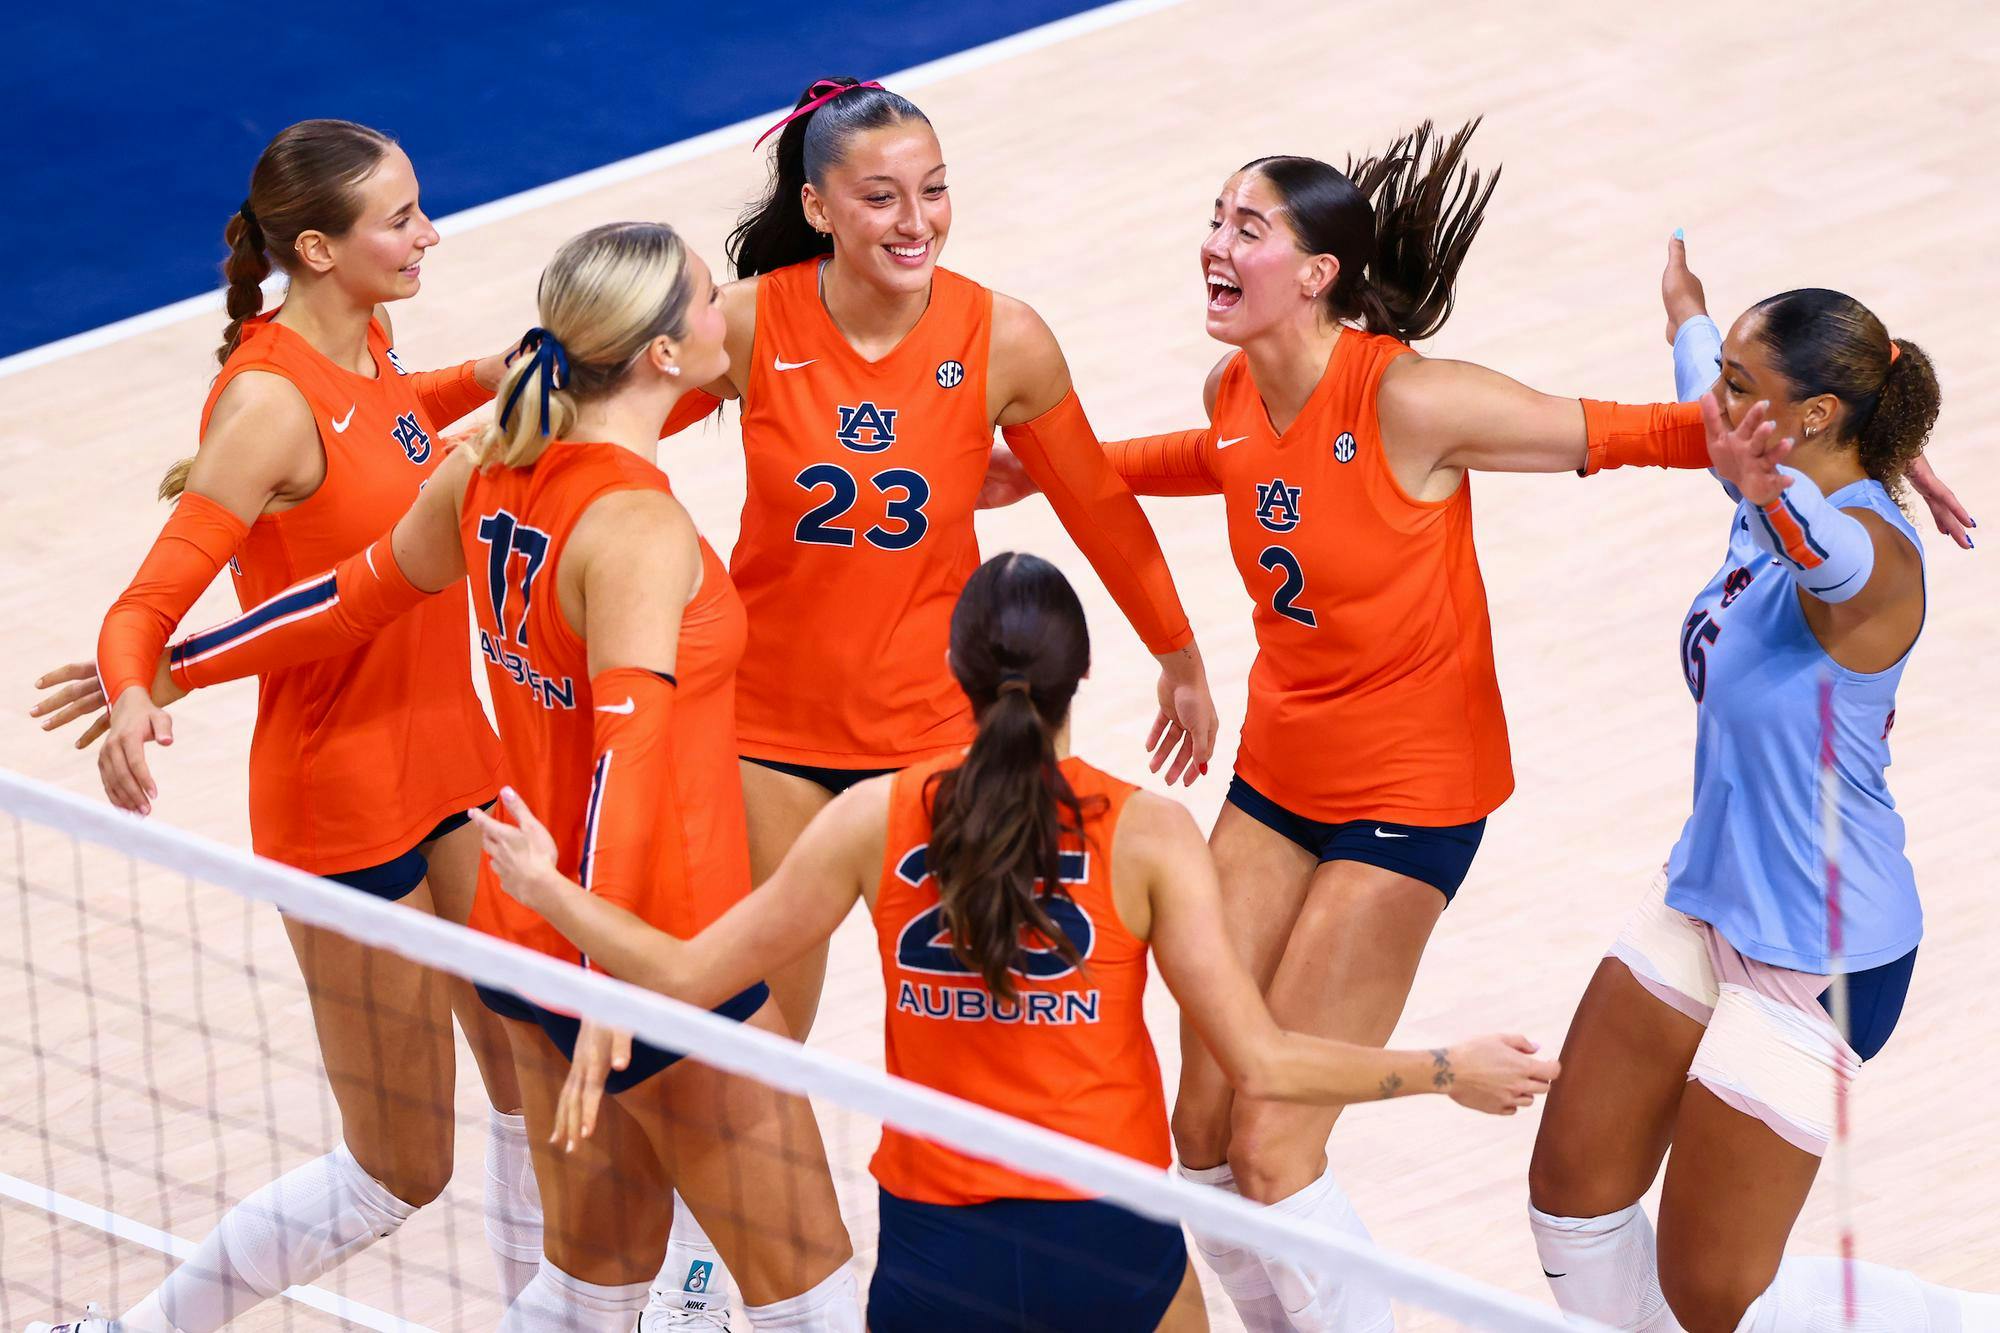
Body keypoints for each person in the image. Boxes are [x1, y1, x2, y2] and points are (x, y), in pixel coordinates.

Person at [470, 550, 1560, 1333]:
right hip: (1109, 1239)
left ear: (951, 672)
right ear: (1078, 678)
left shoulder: (875, 817)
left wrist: (545, 887)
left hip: (938, 1255)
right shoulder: (1143, 831)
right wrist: (1442, 1070)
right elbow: (1263, 1061)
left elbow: (681, 973)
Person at [113, 222, 864, 1331]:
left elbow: (347, 595)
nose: (727, 316)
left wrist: (172, 668)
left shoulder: (485, 470)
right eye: (709, 301)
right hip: (652, 954)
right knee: (815, 1294)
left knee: (588, 1287)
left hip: (527, 946)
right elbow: (631, 763)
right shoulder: (637, 529)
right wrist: (615, 968)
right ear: (660, 354)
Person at [26, 119, 534, 1333]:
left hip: (458, 759)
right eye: (399, 220)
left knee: (534, 1086)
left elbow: (387, 409)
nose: (429, 233)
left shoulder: (363, 329)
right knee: (401, 1168)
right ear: (315, 246)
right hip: (346, 804)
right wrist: (139, 686)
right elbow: (149, 598)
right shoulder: (260, 402)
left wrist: (494, 373)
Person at [658, 73, 1218, 1044]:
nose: (916, 221)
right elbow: (615, 432)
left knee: (970, 1027)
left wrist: (1179, 657)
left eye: (934, 189)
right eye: (880, 198)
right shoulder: (746, 320)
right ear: (816, 208)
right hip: (767, 734)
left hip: (939, 744)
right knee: (753, 1044)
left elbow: (1096, 508)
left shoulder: (1003, 336)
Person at [1523, 235, 1999, 1333]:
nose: (1714, 408)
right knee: (1570, 1194)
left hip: (1820, 951)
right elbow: (1715, 406)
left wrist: (1756, 472)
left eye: (1743, 389)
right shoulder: (1758, 464)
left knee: (1710, 1292)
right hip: (1706, 893)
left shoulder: (1874, 564)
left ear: (1816, 417)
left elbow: (1815, 548)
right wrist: (1687, 312)